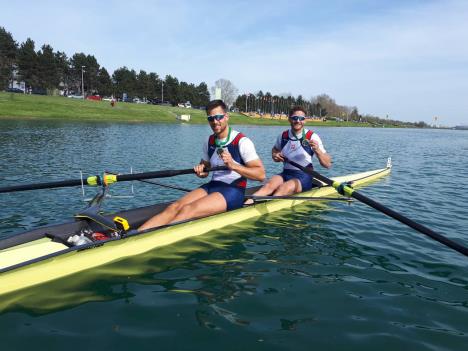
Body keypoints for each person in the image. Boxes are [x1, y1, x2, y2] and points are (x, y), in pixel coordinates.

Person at [139, 99, 265, 230]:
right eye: (211, 118)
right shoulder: (209, 141)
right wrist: (202, 171)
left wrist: (234, 165)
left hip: (233, 191)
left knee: (188, 210)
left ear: (226, 117)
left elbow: (260, 175)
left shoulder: (242, 142)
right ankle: (135, 233)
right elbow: (205, 169)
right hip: (212, 186)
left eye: (218, 117)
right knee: (174, 207)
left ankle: (157, 237)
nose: (215, 122)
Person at [245, 106, 331, 204]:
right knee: (268, 186)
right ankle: (245, 206)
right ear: (289, 119)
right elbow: (275, 150)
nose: (298, 121)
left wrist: (318, 150)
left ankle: (266, 206)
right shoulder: (283, 136)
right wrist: (275, 155)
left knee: (283, 189)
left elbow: (327, 164)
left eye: (301, 118)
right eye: (295, 118)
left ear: (305, 121)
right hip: (286, 173)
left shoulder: (312, 136)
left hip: (304, 176)